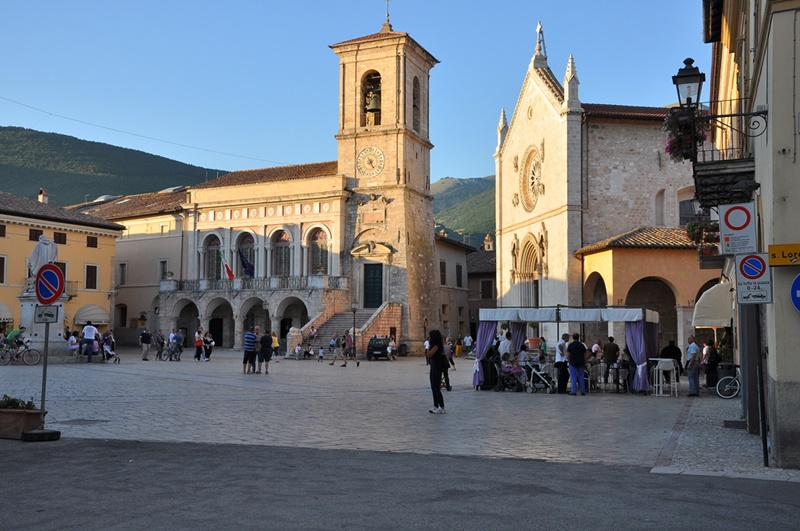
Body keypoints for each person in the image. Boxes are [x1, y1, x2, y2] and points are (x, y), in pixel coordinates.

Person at [426, 329, 446, 414]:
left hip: (437, 368)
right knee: (433, 387)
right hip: (433, 367)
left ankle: (442, 407)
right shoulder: (436, 345)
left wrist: (429, 346)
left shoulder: (436, 346)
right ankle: (435, 405)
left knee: (436, 388)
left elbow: (429, 354)